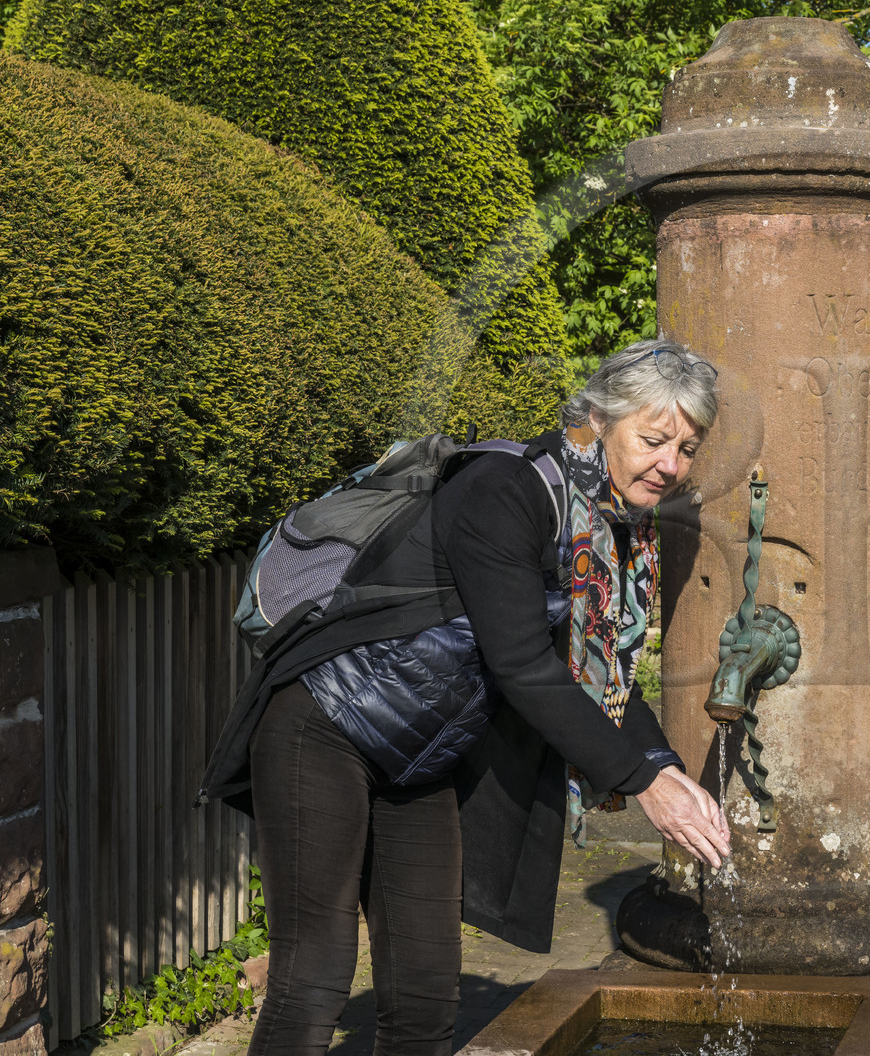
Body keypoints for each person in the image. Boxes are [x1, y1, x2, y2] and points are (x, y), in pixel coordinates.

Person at [219, 339, 730, 1056]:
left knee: (427, 994)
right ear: (599, 418)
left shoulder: (610, 526)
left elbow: (600, 677)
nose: (671, 465)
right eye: (653, 439)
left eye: (687, 446)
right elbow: (522, 662)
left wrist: (661, 763)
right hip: (323, 723)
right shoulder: (506, 488)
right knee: (313, 977)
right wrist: (643, 784)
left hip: (419, 755)